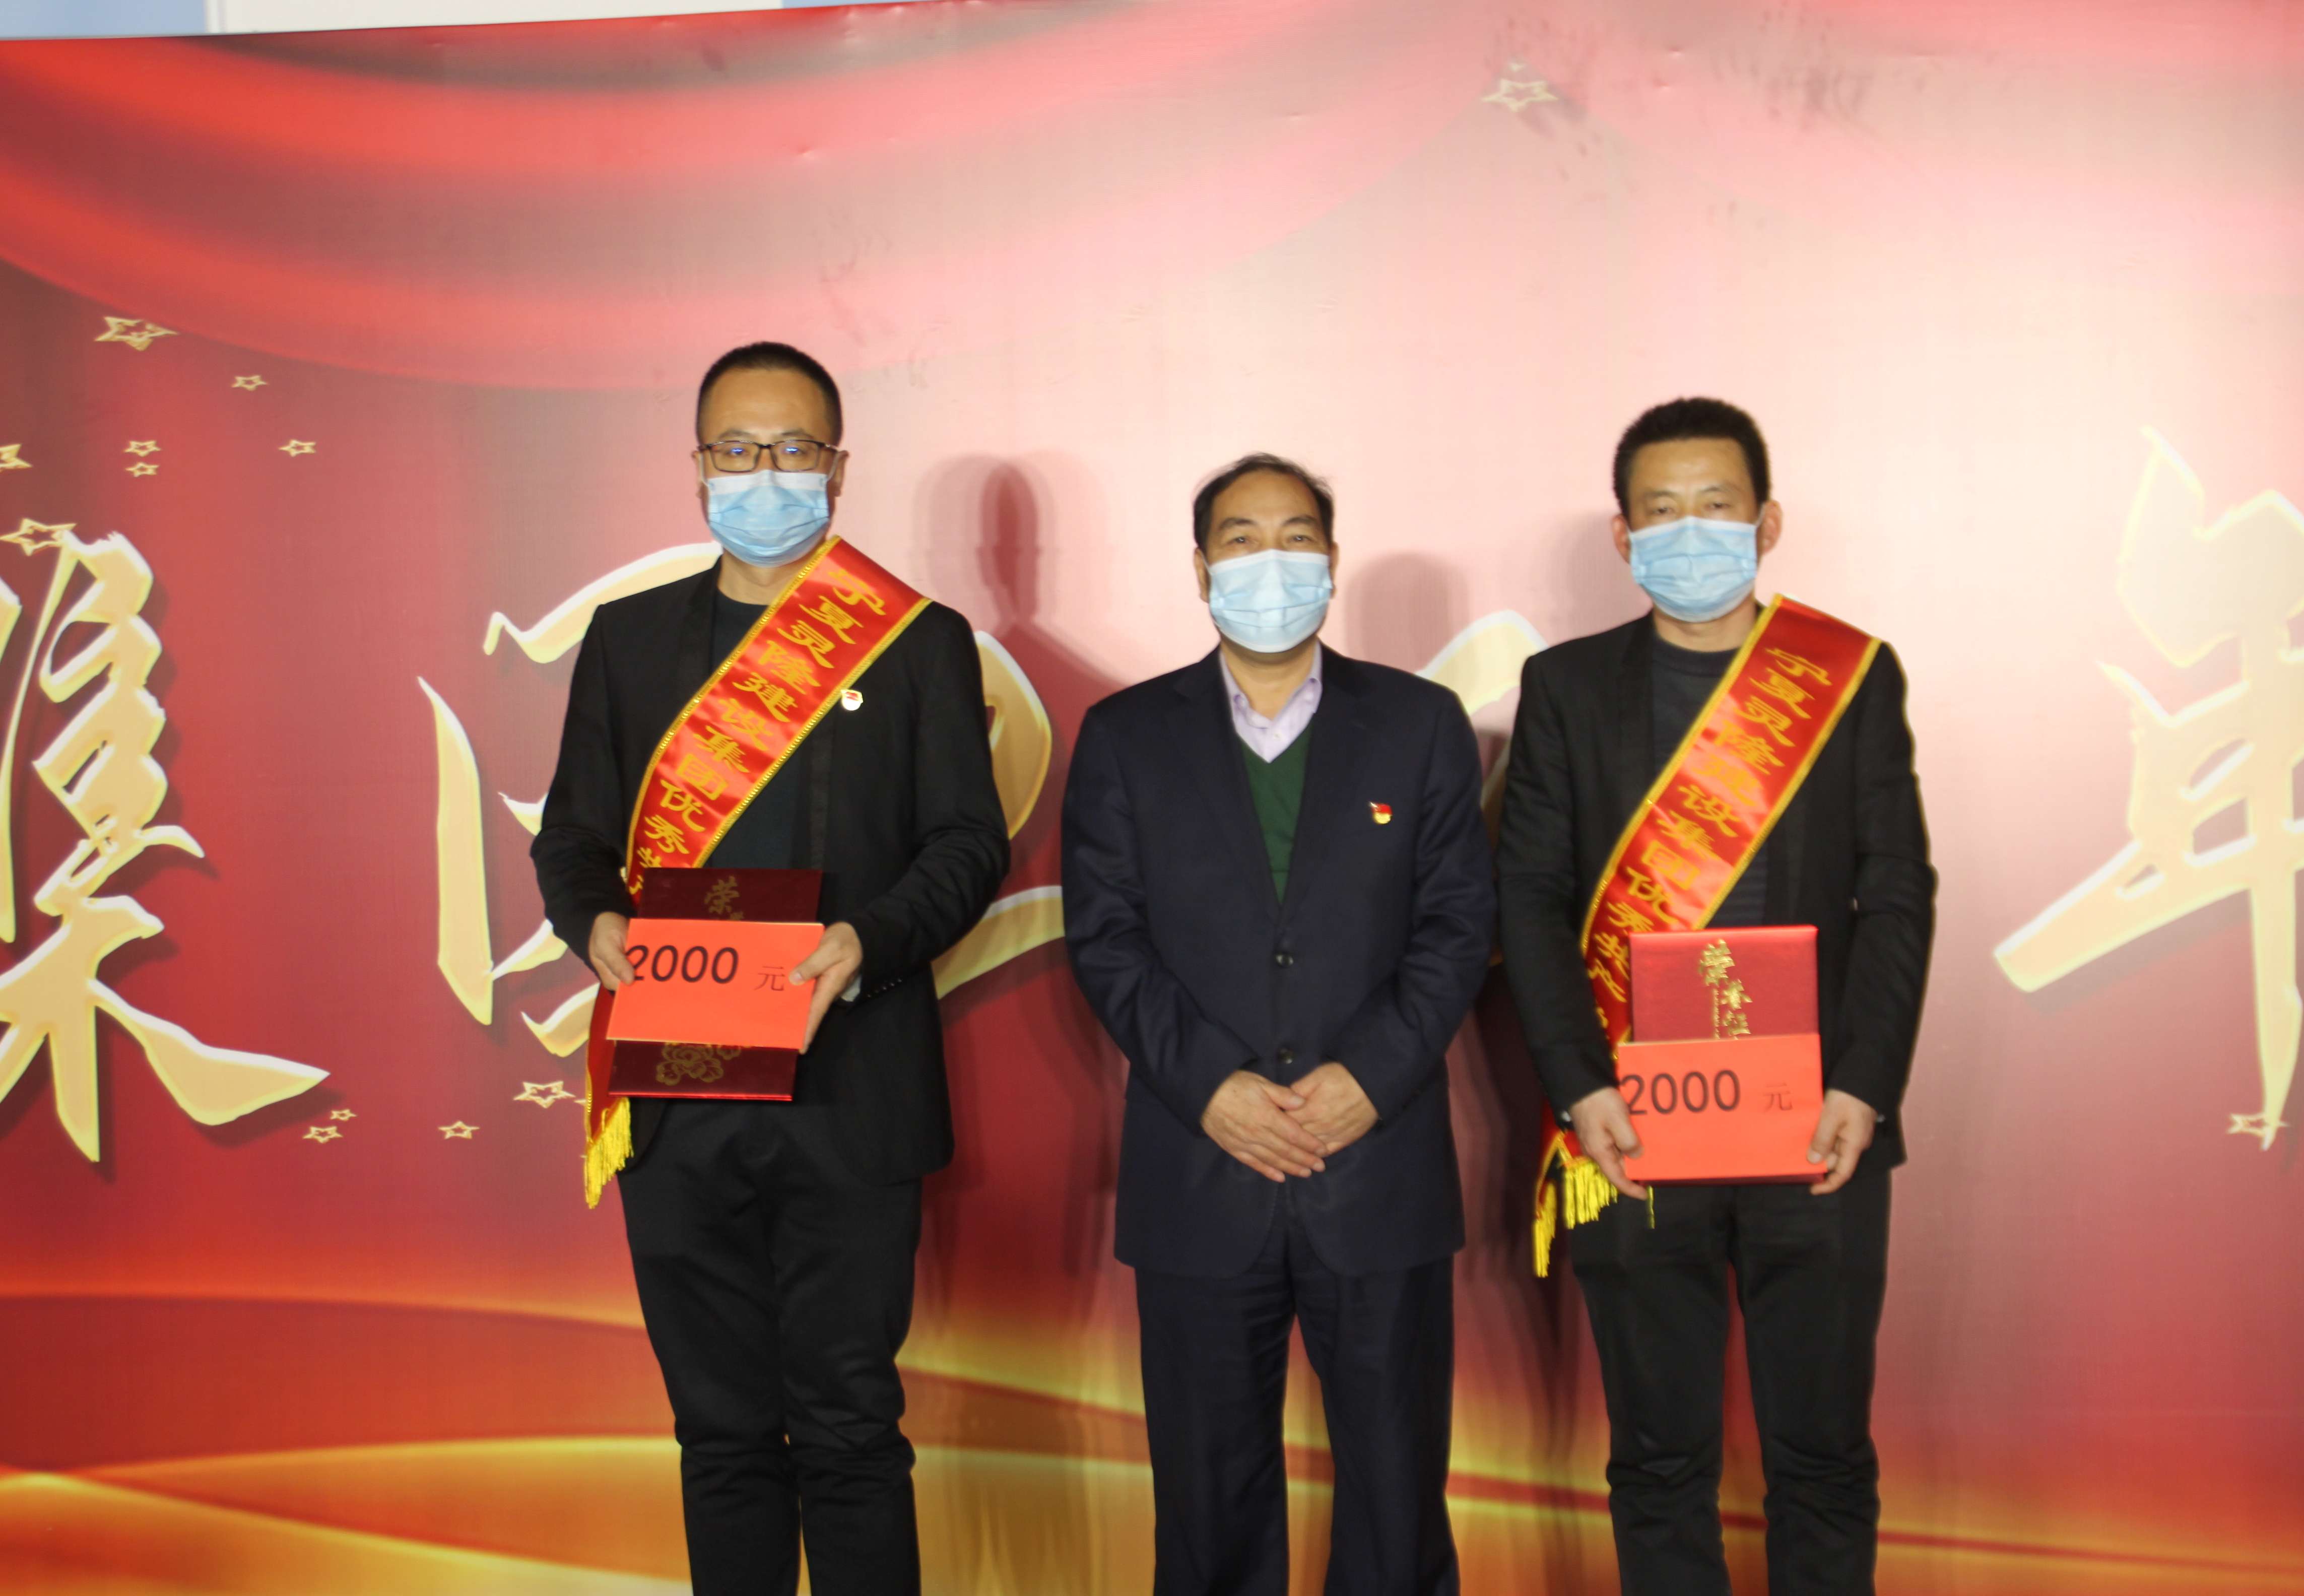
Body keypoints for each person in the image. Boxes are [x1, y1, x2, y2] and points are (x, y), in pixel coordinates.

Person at [532, 342, 1009, 1596]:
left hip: (854, 1085)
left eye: (793, 449)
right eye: (737, 450)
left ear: (838, 468)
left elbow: (969, 844)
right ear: (698, 467)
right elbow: (571, 839)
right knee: (721, 1432)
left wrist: (872, 940)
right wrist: (596, 924)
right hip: (677, 1090)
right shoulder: (630, 642)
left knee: (851, 1425)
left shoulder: (916, 643)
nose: (765, 474)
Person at [1496, 398, 1934, 1594]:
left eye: (1716, 507)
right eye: (1662, 512)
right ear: (1624, 536)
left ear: (1766, 521)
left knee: (1823, 1457)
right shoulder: (1566, 688)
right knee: (1658, 1461)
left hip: (1818, 1129)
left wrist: (1864, 1085)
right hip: (1632, 1126)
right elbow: (1528, 902)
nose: (1690, 533)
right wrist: (1580, 1088)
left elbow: (1897, 894)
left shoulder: (1847, 677)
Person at [1061, 454, 1496, 1596]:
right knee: (1209, 1512)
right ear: (1201, 567)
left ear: (1333, 562)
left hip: (1378, 1169)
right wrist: (1213, 1089)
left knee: (1398, 1507)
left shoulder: (1420, 724)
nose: (1271, 562)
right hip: (1201, 1171)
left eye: (1296, 538)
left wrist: (1370, 1078)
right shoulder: (1126, 735)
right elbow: (1106, 940)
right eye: (1241, 539)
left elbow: (1458, 929)